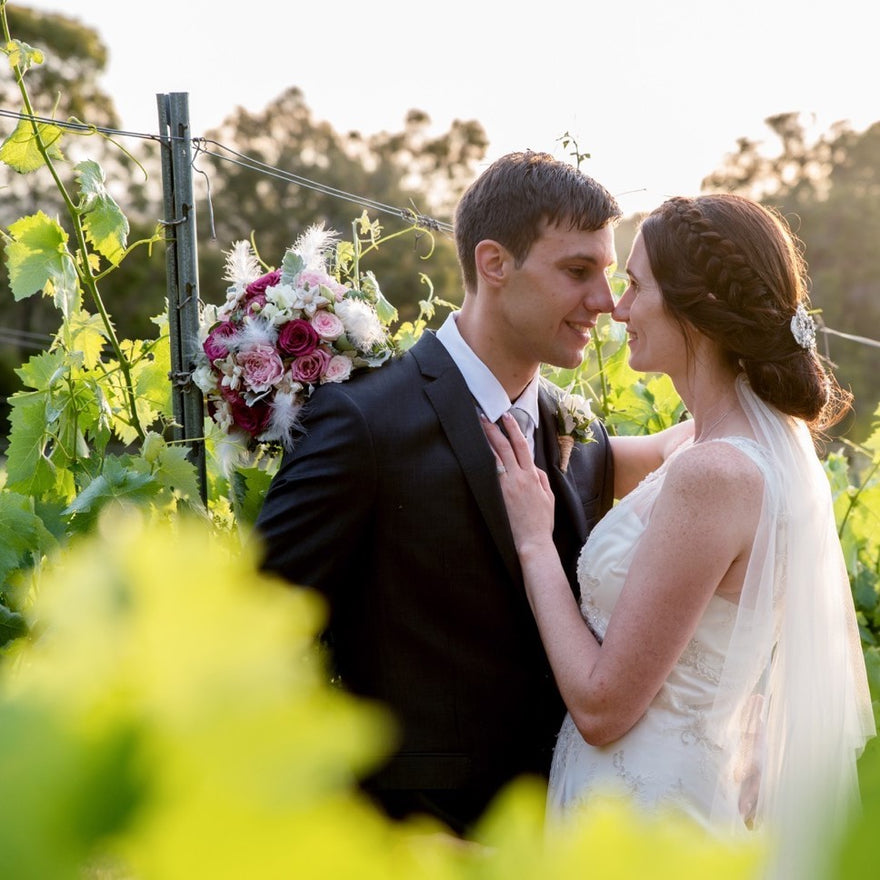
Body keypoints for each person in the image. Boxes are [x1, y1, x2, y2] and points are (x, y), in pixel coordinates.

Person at [484, 193, 875, 878]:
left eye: (635, 285)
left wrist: (534, 543)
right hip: (650, 794)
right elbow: (582, 456)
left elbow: (603, 706)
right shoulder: (714, 442)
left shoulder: (717, 473)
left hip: (650, 823)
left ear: (697, 307)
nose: (616, 306)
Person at [254, 151, 623, 835]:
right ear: (494, 263)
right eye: (578, 271)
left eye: (607, 273)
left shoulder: (583, 433)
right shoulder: (364, 422)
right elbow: (255, 627)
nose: (604, 301)